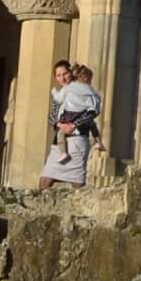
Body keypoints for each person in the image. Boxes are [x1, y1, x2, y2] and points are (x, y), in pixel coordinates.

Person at [36, 60, 101, 189]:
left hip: (77, 140)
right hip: (60, 143)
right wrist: (60, 125)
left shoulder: (83, 91)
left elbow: (91, 114)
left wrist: (73, 125)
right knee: (45, 181)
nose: (62, 78)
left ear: (71, 73)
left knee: (77, 182)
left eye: (65, 74)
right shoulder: (59, 95)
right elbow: (51, 116)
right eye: (59, 75)